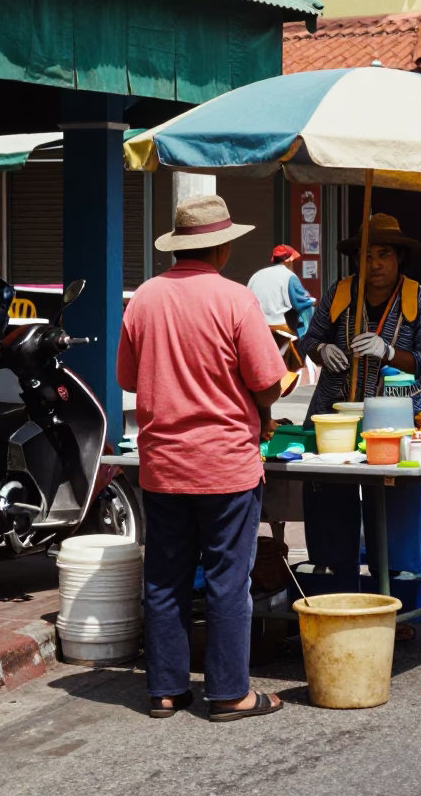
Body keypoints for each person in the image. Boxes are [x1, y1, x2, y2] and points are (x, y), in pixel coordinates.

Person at [117, 195, 288, 722]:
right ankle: (229, 693)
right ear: (224, 246)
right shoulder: (235, 299)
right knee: (226, 581)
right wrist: (263, 404)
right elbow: (268, 382)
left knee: (164, 579)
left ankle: (166, 689)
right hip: (225, 465)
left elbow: (127, 378)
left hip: (163, 465)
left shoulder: (144, 297)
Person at [300, 214, 421, 595]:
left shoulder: (418, 299)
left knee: (396, 506)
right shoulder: (340, 294)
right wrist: (321, 349)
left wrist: (391, 352)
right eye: (366, 255)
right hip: (337, 420)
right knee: (332, 502)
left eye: (383, 254)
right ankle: (337, 592)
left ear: (398, 257)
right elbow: (308, 340)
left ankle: (399, 597)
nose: (374, 264)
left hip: (398, 420)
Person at [247, 244, 315, 339]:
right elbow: (302, 302)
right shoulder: (289, 276)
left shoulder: (256, 275)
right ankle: (306, 343)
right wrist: (310, 301)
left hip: (256, 324)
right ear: (289, 260)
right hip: (280, 325)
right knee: (309, 309)